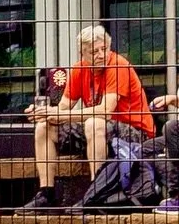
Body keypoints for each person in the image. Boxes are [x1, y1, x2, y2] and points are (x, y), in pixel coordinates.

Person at [25, 24, 155, 209]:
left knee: (94, 122)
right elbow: (62, 108)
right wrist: (44, 114)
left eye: (104, 49)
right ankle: (46, 193)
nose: (101, 55)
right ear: (82, 54)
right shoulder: (79, 69)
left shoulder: (118, 65)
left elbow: (105, 110)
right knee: (44, 128)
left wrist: (61, 115)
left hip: (136, 134)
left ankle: (97, 192)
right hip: (99, 131)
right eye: (94, 52)